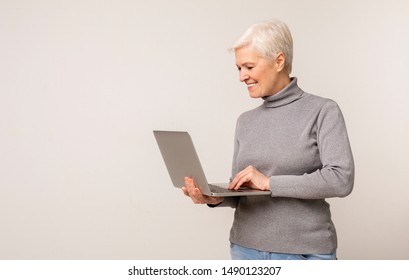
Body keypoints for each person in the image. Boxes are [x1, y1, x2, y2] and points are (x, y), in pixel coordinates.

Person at [182, 19, 354, 260]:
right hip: (245, 249)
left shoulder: (322, 111)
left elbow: (340, 179)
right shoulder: (245, 121)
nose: (242, 77)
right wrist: (215, 198)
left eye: (249, 67)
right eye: (238, 68)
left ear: (279, 61)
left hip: (304, 253)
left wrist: (269, 183)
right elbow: (242, 190)